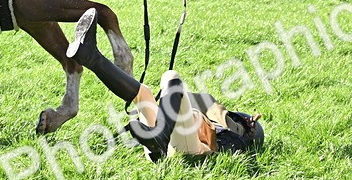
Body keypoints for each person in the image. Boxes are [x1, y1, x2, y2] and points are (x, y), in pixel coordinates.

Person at [66, 9, 263, 161]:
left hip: (184, 149)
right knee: (144, 93)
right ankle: (90, 56)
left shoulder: (228, 142)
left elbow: (208, 146)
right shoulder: (211, 119)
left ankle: (160, 137)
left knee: (171, 76)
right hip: (165, 145)